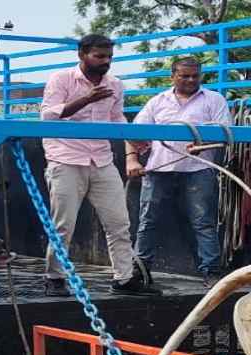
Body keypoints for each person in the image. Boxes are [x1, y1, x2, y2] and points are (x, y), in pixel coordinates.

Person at [40, 34, 159, 297]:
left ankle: (123, 279)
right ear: (82, 54)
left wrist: (135, 140)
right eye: (99, 56)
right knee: (63, 225)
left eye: (109, 57)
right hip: (65, 158)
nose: (106, 62)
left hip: (101, 159)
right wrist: (86, 99)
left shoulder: (115, 84)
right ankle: (54, 277)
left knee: (119, 222)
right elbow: (47, 115)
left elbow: (116, 119)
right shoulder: (61, 79)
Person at [125, 57, 233, 287]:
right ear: (172, 76)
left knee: (203, 222)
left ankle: (212, 272)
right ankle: (140, 270)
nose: (191, 80)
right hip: (159, 169)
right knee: (148, 221)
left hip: (199, 168)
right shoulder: (157, 102)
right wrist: (132, 160)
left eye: (195, 76)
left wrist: (203, 145)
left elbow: (226, 135)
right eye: (185, 76)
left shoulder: (214, 100)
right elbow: (133, 133)